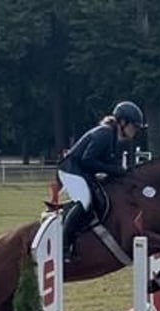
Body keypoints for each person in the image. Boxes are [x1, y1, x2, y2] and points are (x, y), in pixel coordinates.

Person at [57, 100, 146, 260]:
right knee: (85, 201)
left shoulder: (115, 139)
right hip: (70, 170)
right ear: (123, 122)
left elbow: (111, 166)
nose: (136, 131)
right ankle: (64, 245)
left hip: (83, 172)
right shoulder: (105, 134)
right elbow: (87, 160)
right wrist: (114, 170)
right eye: (134, 126)